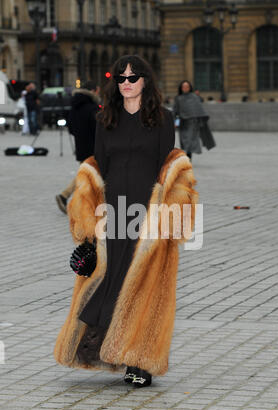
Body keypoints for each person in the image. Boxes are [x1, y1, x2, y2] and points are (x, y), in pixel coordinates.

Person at [53, 55, 199, 388]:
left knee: (144, 287)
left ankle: (140, 362)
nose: (127, 82)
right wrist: (87, 215)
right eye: (121, 78)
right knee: (110, 282)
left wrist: (168, 217)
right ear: (114, 84)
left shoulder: (164, 119)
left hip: (148, 215)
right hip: (113, 214)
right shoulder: (106, 118)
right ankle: (106, 350)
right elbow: (98, 167)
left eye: (134, 77)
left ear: (146, 80)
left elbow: (168, 168)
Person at [55, 80, 101, 214]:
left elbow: (70, 127)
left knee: (87, 175)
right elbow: (98, 129)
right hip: (94, 147)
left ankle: (66, 197)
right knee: (91, 175)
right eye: (97, 90)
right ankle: (67, 197)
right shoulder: (92, 108)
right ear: (93, 91)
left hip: (81, 146)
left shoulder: (75, 106)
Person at [173, 80, 216, 161]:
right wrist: (176, 122)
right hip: (183, 123)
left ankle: (189, 157)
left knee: (190, 141)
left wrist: (200, 121)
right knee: (184, 141)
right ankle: (186, 156)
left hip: (193, 123)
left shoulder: (194, 97)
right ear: (181, 88)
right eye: (183, 87)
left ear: (190, 87)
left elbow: (199, 109)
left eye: (187, 87)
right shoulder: (178, 98)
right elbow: (175, 112)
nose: (185, 88)